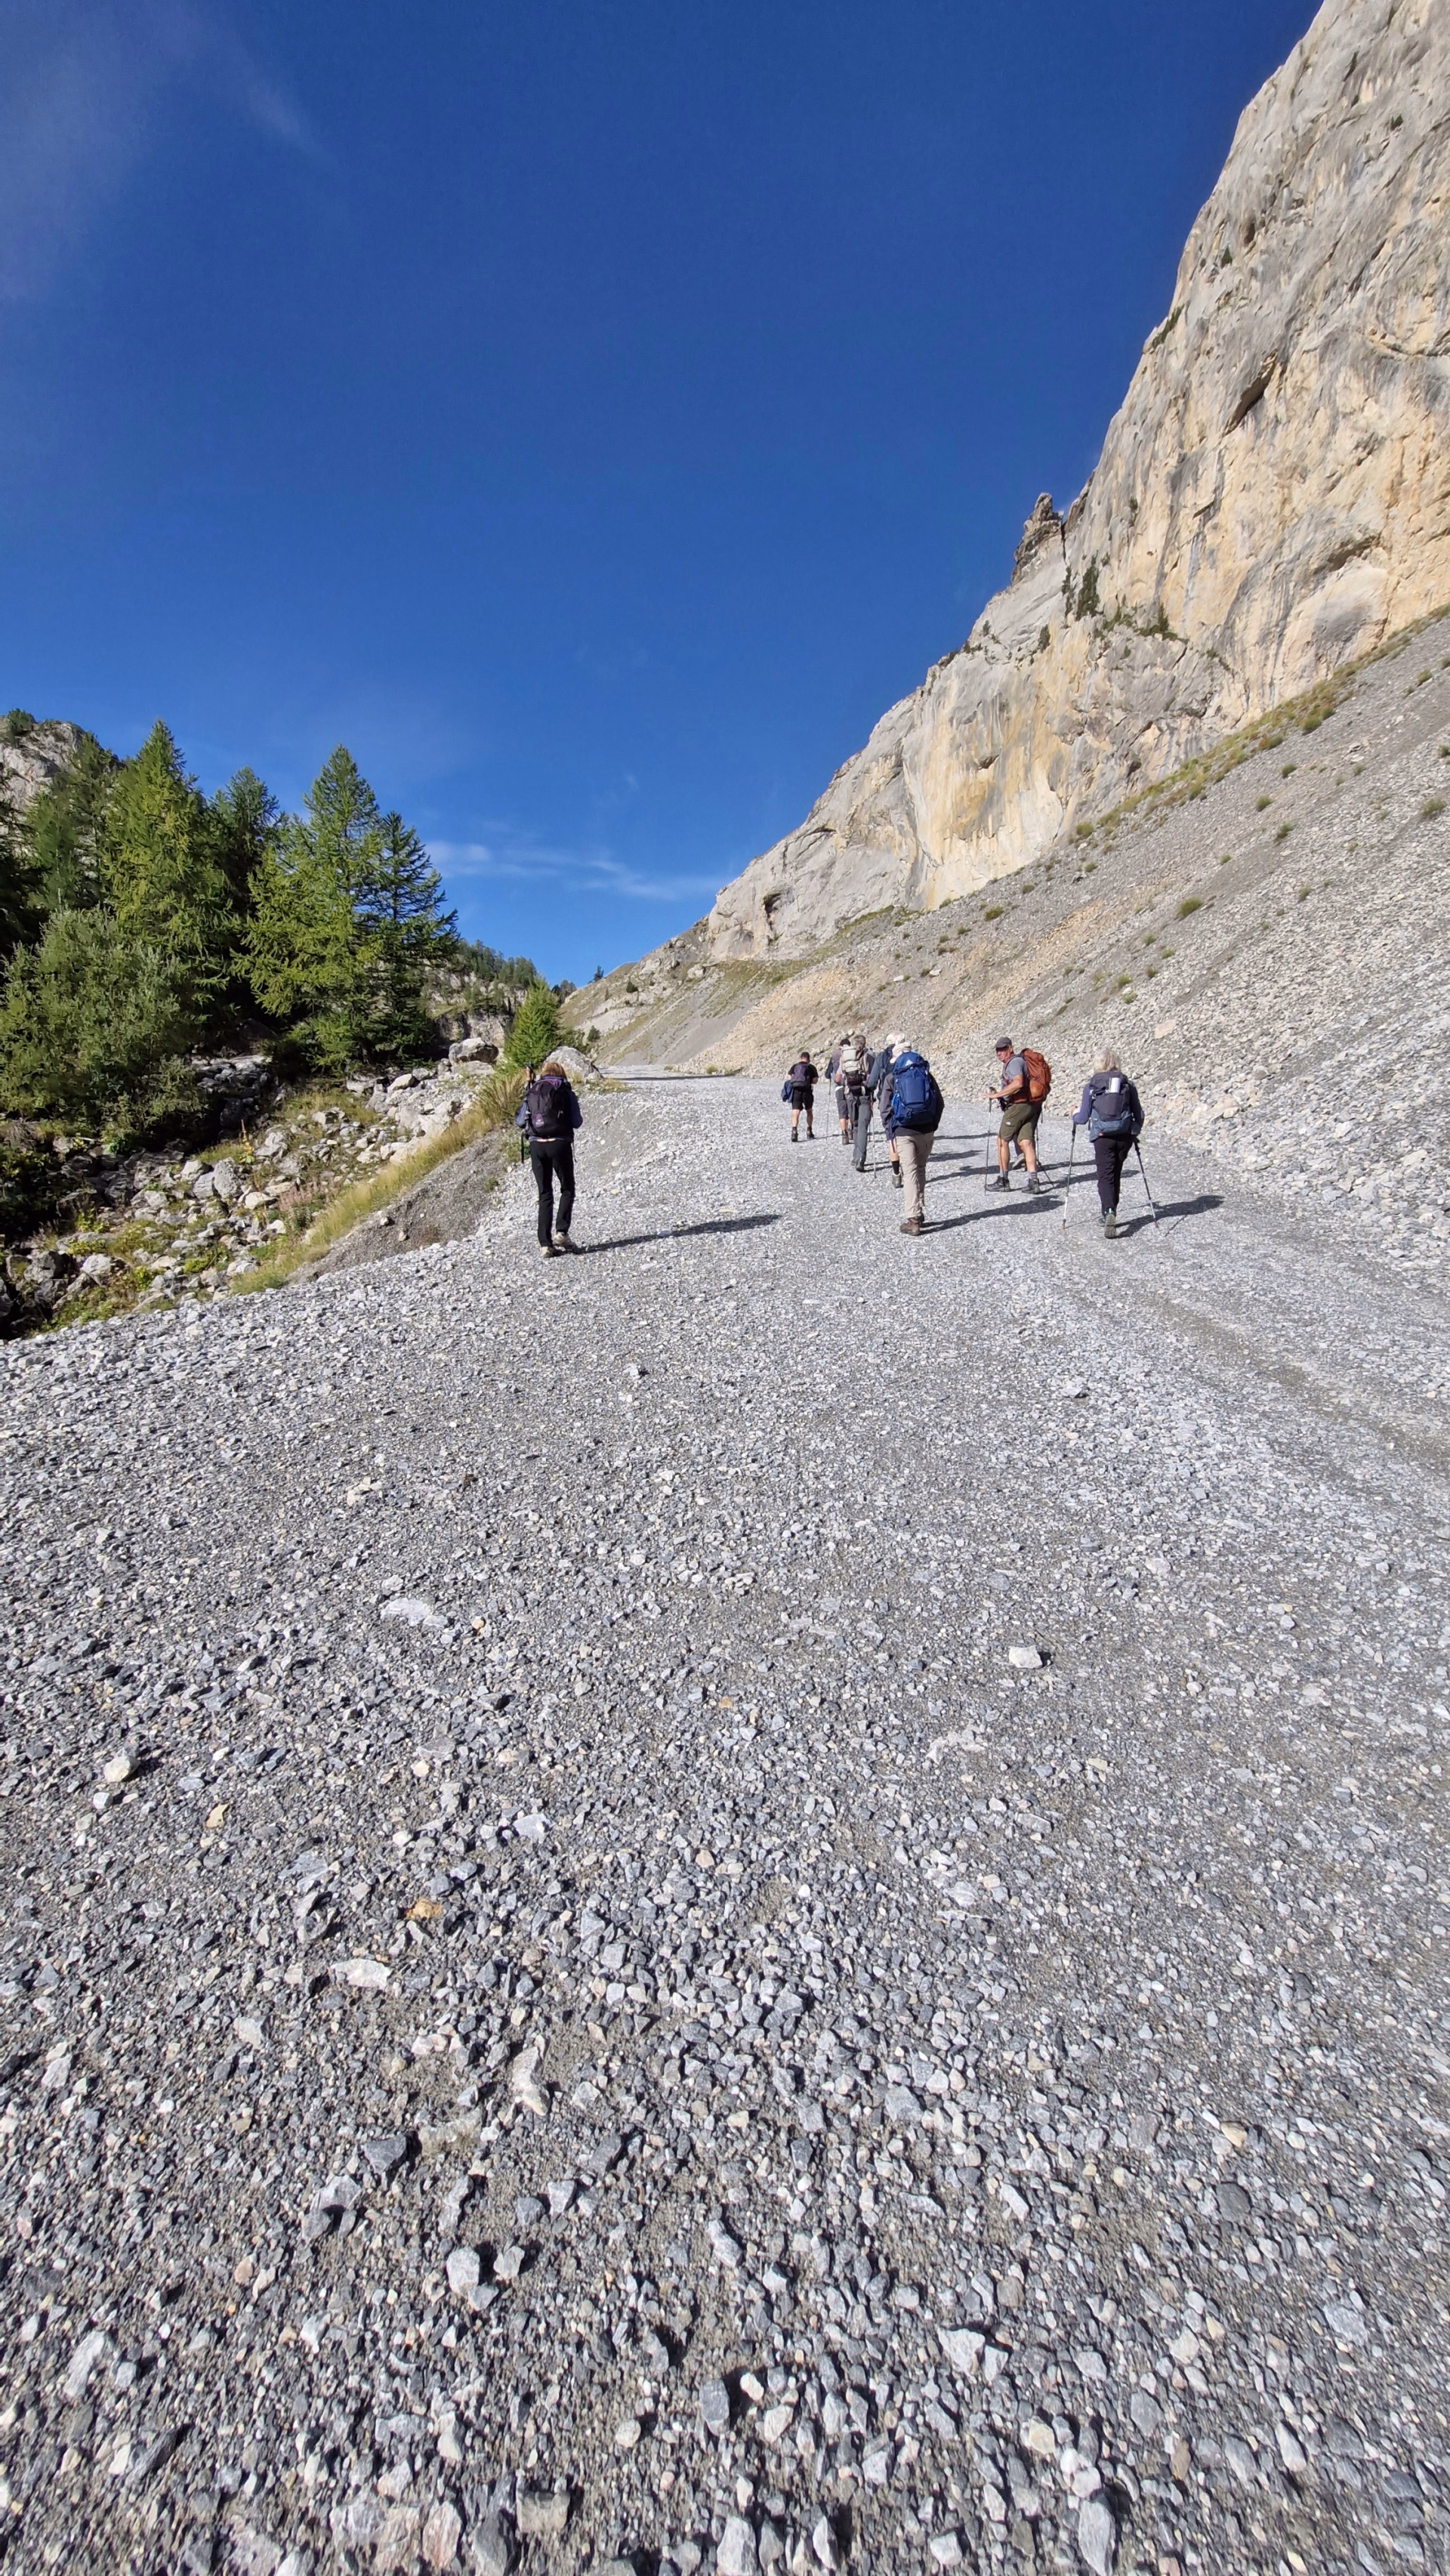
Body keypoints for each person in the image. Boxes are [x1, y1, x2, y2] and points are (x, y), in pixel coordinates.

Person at [1072, 1051, 1143, 1238]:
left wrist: (1073, 1114)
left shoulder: (1091, 1086)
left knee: (1105, 1176)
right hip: (1124, 1135)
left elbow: (1082, 1117)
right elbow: (1139, 1114)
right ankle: (1111, 1211)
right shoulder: (1127, 1084)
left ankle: (1108, 1212)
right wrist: (1135, 1129)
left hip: (1102, 1136)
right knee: (1116, 1174)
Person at [516, 1058, 583, 1256]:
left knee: (545, 1193)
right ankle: (561, 1232)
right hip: (559, 1143)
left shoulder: (534, 1089)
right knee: (567, 1188)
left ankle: (545, 1245)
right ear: (562, 1074)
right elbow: (577, 1122)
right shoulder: (565, 1090)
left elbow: (520, 1121)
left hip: (537, 1145)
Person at [881, 1042, 943, 1235]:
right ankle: (919, 1209)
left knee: (909, 1174)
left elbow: (884, 1109)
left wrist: (890, 1132)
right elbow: (939, 1103)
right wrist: (932, 1126)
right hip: (926, 1130)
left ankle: (913, 1218)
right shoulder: (925, 1075)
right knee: (921, 1169)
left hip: (904, 1131)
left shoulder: (892, 1078)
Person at [986, 1035, 1042, 1194]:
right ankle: (1034, 1181)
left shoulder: (1014, 1063)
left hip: (1019, 1106)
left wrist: (996, 1095)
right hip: (1031, 1106)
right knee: (1025, 1142)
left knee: (1001, 1141)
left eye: (1003, 1049)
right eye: (998, 1051)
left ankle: (1003, 1180)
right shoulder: (1020, 1061)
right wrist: (1001, 1093)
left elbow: (1018, 1083)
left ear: (1010, 1048)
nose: (999, 1053)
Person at [858, 1033, 903, 1179]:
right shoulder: (910, 1056)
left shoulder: (882, 1057)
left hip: (887, 1099)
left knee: (892, 1136)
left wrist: (868, 1088)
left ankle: (896, 1173)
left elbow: (872, 1083)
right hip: (906, 1099)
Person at [829, 1032, 869, 1146]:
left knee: (842, 1113)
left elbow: (832, 1075)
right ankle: (852, 1131)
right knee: (851, 1110)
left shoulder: (836, 1056)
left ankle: (844, 1135)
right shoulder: (859, 1055)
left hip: (840, 1088)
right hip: (851, 1088)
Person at [785, 1050, 819, 1141]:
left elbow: (789, 1077)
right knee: (809, 1111)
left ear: (801, 1058)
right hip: (807, 1091)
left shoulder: (795, 1066)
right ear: (809, 1059)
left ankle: (794, 1132)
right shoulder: (811, 1067)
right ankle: (809, 1131)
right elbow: (815, 1080)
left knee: (796, 1112)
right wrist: (808, 1081)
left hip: (796, 1091)